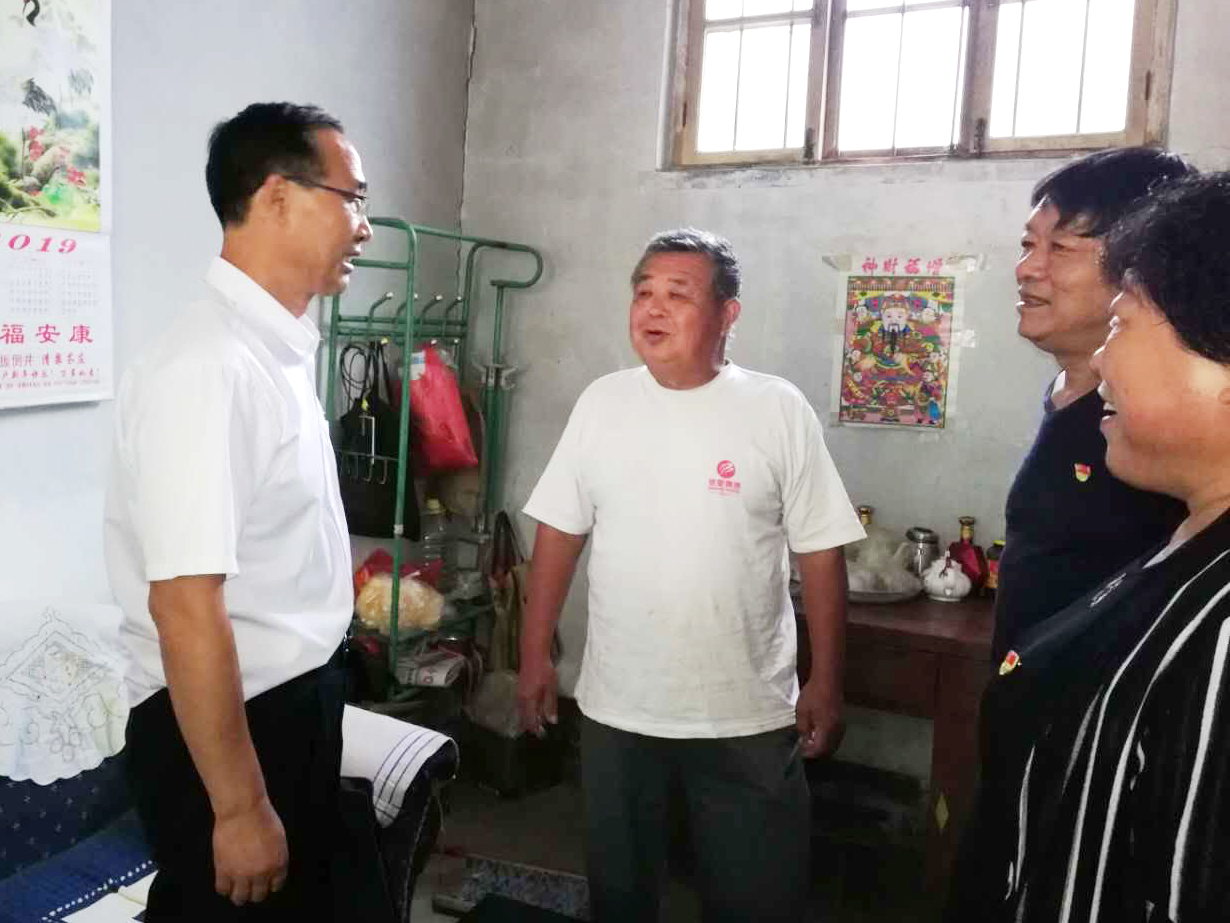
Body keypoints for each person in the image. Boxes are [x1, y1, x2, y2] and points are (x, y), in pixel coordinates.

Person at [517, 228, 864, 922]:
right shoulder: (603, 404)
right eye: (643, 291)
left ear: (728, 314)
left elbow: (821, 553)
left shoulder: (776, 409)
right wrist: (533, 656)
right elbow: (558, 534)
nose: (653, 307)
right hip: (620, 708)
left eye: (678, 294)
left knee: (755, 898)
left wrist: (826, 679)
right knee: (621, 896)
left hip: (746, 712)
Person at [103, 102, 372, 920]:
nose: (364, 226)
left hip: (285, 705)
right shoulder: (209, 367)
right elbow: (185, 604)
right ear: (278, 196)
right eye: (352, 198)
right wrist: (240, 806)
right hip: (229, 727)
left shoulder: (272, 351)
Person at [947, 170, 1230, 922]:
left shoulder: (1213, 609)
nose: (1027, 267)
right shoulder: (1101, 427)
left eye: (1125, 323)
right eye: (1028, 243)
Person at [992, 147, 1194, 662]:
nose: (1026, 269)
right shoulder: (1068, 391)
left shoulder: (1161, 425)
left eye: (1060, 248)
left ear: (1142, 270)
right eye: (1028, 244)